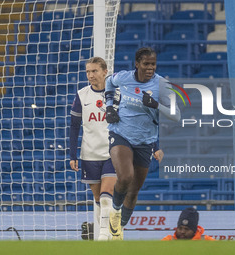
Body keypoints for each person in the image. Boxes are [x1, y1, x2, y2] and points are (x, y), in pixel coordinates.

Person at [105, 47, 181, 240]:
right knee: (125, 177)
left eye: (153, 64)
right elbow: (109, 82)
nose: (150, 68)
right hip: (121, 134)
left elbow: (176, 116)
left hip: (145, 141)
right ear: (137, 64)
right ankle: (114, 212)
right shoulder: (124, 77)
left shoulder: (162, 85)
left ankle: (119, 228)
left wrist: (156, 105)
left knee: (134, 190)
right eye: (146, 64)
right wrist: (109, 107)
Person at [69, 57, 117, 241]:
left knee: (106, 196)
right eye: (88, 72)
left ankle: (103, 237)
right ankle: (110, 230)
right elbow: (74, 126)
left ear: (105, 71)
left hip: (113, 153)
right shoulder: (82, 95)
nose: (90, 75)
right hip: (90, 154)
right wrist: (72, 154)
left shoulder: (118, 94)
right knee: (99, 200)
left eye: (94, 71)